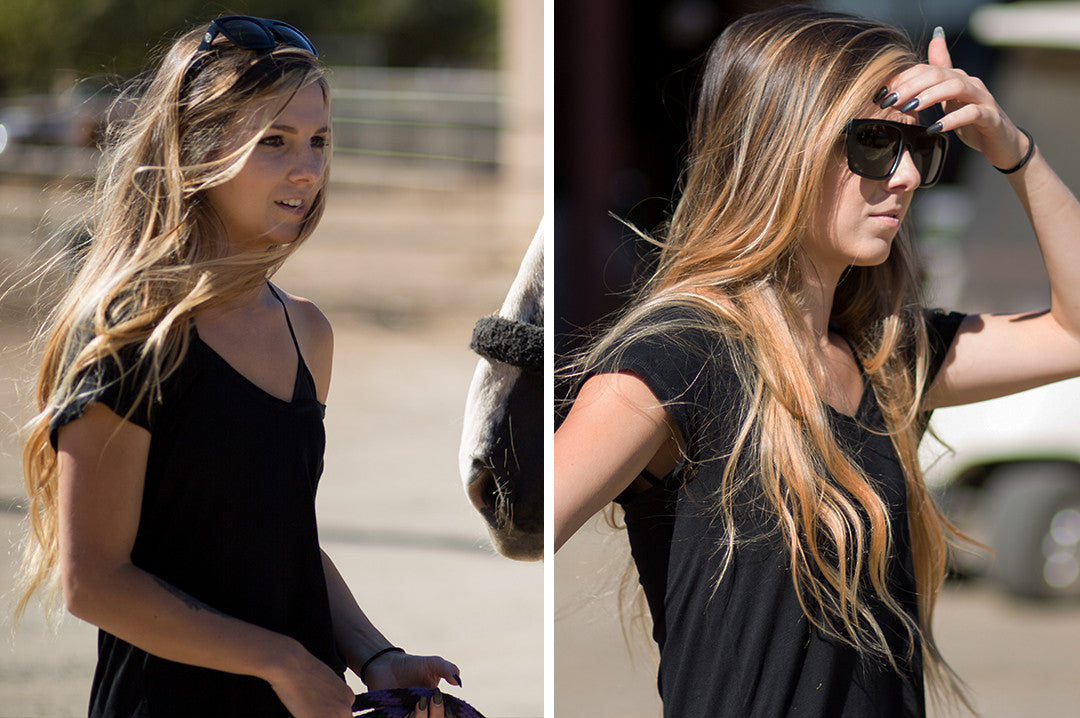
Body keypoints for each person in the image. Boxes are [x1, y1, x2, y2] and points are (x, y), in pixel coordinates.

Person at [554, 6, 1080, 717]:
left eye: (919, 147)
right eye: (872, 143)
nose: (907, 177)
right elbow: (518, 534)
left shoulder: (887, 355)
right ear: (779, 147)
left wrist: (1010, 145)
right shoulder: (678, 358)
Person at [16, 16, 460, 718]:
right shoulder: (130, 334)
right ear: (193, 154)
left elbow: (281, 540)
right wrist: (281, 662)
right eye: (273, 141)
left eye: (318, 140)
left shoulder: (306, 332)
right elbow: (94, 581)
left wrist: (375, 656)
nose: (306, 168)